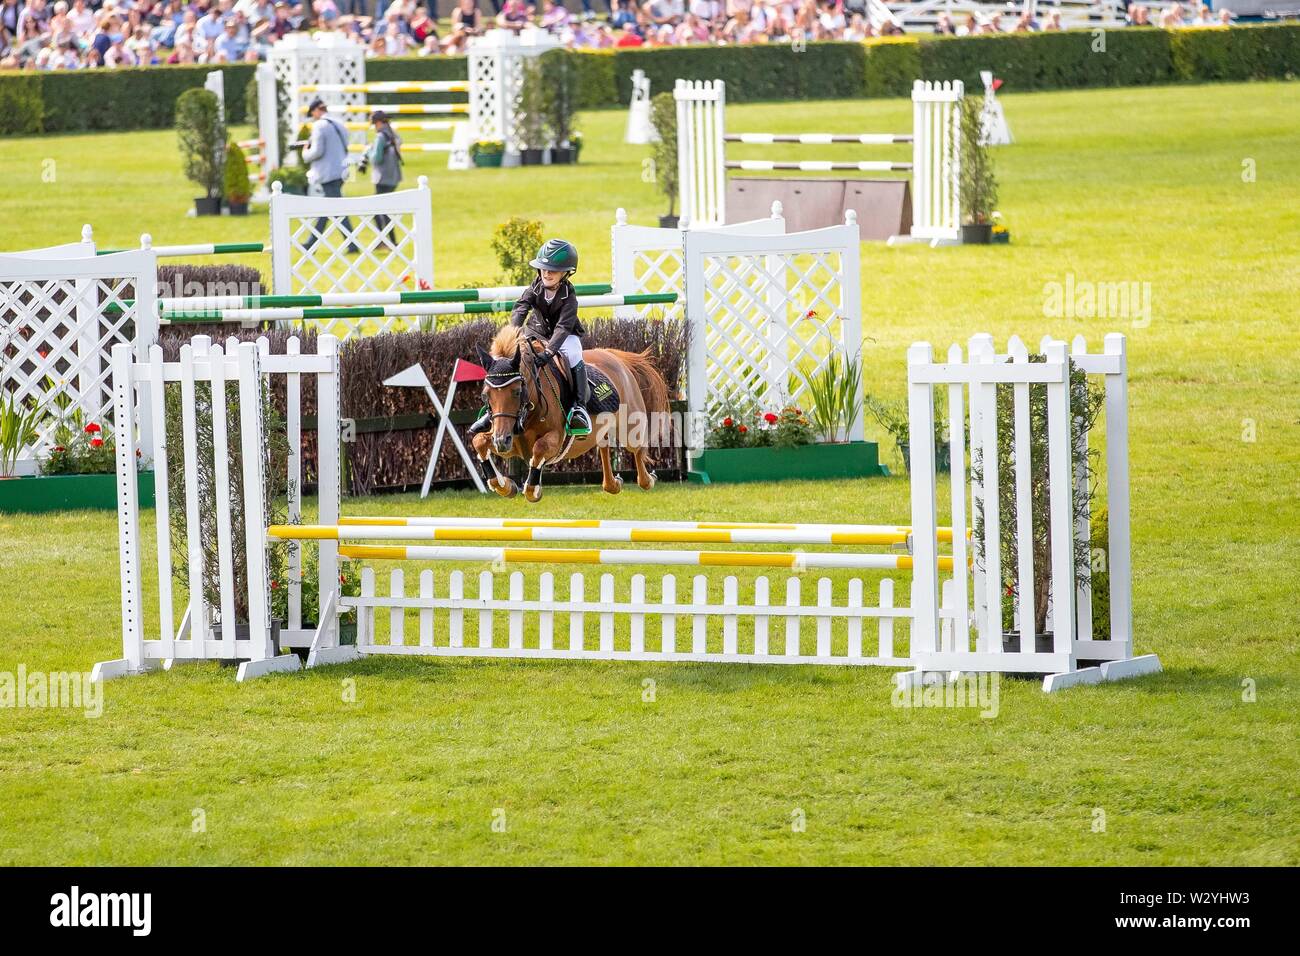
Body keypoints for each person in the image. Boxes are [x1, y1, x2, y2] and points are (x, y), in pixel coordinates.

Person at [470, 239, 593, 440]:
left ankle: (579, 408)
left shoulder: (569, 296)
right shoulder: (535, 287)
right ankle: (489, 413)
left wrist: (548, 353)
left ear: (566, 273)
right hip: (534, 333)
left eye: (553, 270)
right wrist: (514, 331)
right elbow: (521, 307)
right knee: (500, 358)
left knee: (574, 354)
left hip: (564, 336)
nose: (547, 273)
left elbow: (562, 328)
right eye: (544, 269)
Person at [300, 98, 359, 252]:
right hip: (342, 170)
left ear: (316, 111)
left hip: (328, 172)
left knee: (336, 209)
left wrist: (305, 153)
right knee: (329, 208)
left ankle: (351, 243)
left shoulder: (319, 126)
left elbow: (318, 151)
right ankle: (311, 243)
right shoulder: (339, 123)